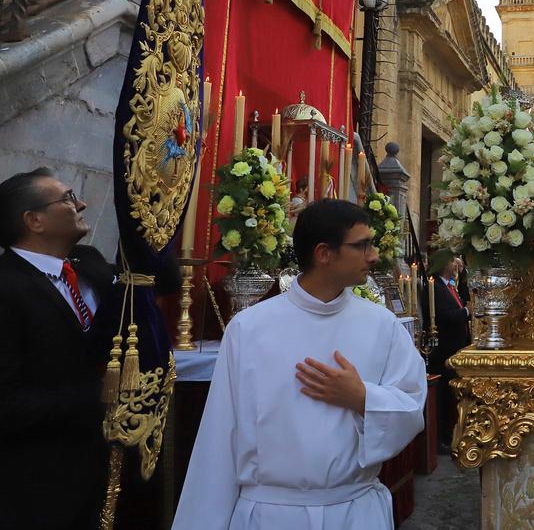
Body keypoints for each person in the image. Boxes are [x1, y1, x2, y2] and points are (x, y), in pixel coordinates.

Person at [173, 199, 427, 529]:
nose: (374, 255)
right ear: (324, 253)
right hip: (273, 514)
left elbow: (411, 407)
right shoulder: (250, 328)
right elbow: (220, 438)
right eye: (362, 245)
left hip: (353, 511)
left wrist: (363, 398)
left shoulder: (383, 325)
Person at [0, 169, 114, 530]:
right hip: (34, 483)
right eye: (66, 198)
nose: (81, 203)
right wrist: (99, 397)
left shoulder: (87, 265)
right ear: (34, 220)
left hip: (93, 470)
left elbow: (161, 281)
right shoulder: (6, 288)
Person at [428, 254, 471, 453]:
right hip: (444, 350)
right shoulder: (435, 286)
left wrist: (461, 276)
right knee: (444, 396)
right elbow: (443, 316)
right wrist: (466, 313)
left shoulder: (450, 284)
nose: (457, 263)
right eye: (452, 259)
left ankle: (451, 432)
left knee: (452, 396)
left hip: (456, 348)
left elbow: (463, 296)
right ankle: (442, 438)